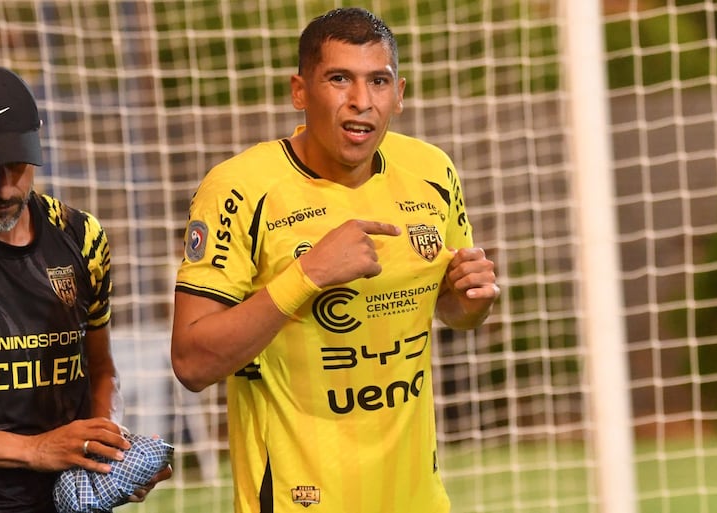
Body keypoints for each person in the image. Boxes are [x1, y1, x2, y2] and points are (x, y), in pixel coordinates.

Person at [172, 7, 499, 513]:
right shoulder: (239, 189)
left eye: (378, 81)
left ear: (400, 93)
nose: (361, 102)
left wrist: (471, 299)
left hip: (417, 498)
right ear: (300, 91)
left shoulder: (433, 170)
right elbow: (191, 362)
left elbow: (453, 309)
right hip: (295, 499)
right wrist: (307, 276)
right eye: (339, 79)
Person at [0, 62, 171, 512]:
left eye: (17, 164)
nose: (5, 187)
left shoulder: (81, 236)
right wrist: (35, 450)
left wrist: (106, 452)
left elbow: (101, 369)